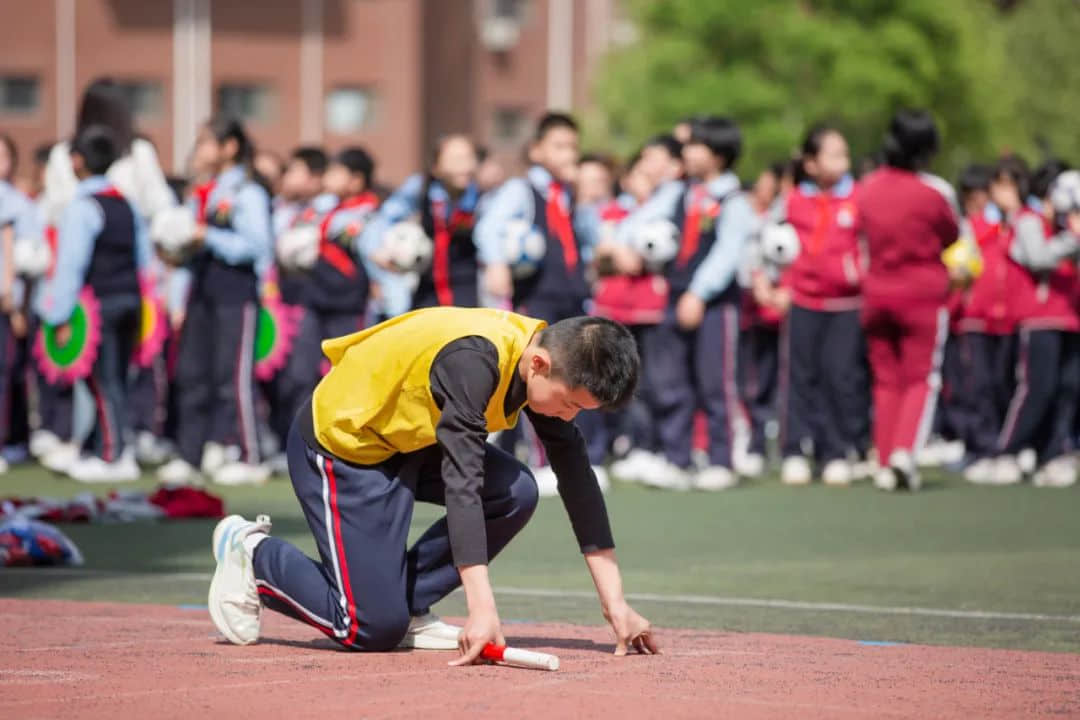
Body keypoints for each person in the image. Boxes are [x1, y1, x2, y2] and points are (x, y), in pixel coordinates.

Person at [207, 308, 660, 663]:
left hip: (409, 442)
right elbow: (463, 482)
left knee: (517, 491)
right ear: (539, 364)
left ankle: (409, 604)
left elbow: (577, 481)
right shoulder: (474, 361)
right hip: (344, 448)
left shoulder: (543, 363)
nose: (570, 416)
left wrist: (615, 604)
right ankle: (254, 557)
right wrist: (481, 609)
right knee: (366, 629)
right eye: (570, 404)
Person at [613, 115, 747, 491]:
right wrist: (624, 243)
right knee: (672, 380)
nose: (685, 153)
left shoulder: (731, 200)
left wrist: (699, 293)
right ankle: (678, 457)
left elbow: (727, 252)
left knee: (715, 380)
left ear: (718, 154)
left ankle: (721, 458)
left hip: (714, 305)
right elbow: (642, 219)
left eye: (695, 146)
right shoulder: (682, 193)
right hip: (674, 299)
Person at [156, 116, 272, 487]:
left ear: (229, 147)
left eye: (207, 142)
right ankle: (190, 454)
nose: (200, 149)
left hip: (235, 296)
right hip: (201, 296)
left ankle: (248, 454)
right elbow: (188, 253)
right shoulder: (202, 194)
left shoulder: (247, 193)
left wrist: (208, 236)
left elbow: (256, 247)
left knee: (232, 378)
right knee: (192, 375)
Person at [39, 125, 151, 482]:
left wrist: (58, 316)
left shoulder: (82, 207)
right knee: (117, 378)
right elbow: (143, 259)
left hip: (98, 305)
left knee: (102, 381)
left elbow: (71, 266)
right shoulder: (126, 204)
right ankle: (105, 446)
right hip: (131, 300)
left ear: (77, 160)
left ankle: (113, 454)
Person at [858, 110, 959, 491]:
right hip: (921, 295)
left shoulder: (867, 188)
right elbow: (951, 234)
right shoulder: (932, 194)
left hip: (876, 293)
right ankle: (904, 451)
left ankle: (883, 459)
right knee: (920, 379)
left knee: (885, 380)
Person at [269, 147, 380, 453]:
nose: (328, 178)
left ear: (356, 180)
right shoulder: (319, 212)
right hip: (314, 303)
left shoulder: (371, 215)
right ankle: (297, 445)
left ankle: (351, 448)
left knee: (349, 379)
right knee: (299, 375)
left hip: (349, 308)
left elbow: (376, 258)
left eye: (337, 172)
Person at [777, 126, 869, 487]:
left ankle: (835, 450)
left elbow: (868, 248)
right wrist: (778, 285)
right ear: (811, 164)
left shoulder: (859, 199)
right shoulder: (794, 200)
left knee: (840, 377)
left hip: (846, 304)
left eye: (844, 154)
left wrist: (857, 276)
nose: (841, 161)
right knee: (800, 377)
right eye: (832, 154)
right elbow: (775, 246)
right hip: (802, 301)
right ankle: (796, 450)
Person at [994, 159, 1080, 487]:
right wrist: (1073, 238)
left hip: (1071, 319)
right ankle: (1009, 451)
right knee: (1037, 388)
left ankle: (1054, 452)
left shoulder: (1065, 227)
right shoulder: (1029, 222)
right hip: (1039, 319)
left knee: (1068, 389)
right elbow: (1038, 257)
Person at [364, 135, 501, 312]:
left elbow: (492, 233)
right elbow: (385, 217)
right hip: (427, 287)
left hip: (468, 289)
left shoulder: (485, 196)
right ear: (436, 167)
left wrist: (496, 264)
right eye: (456, 160)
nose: (465, 166)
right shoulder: (421, 188)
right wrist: (379, 250)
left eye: (469, 158)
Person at [950, 163, 1014, 484]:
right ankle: (979, 448)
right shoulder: (964, 229)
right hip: (972, 320)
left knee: (1002, 385)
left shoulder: (1007, 226)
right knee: (976, 387)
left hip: (1005, 320)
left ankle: (1001, 447)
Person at [735, 162, 787, 479]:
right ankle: (751, 443)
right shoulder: (744, 217)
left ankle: (768, 441)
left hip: (776, 312)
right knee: (750, 382)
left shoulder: (780, 218)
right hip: (749, 311)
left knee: (771, 379)